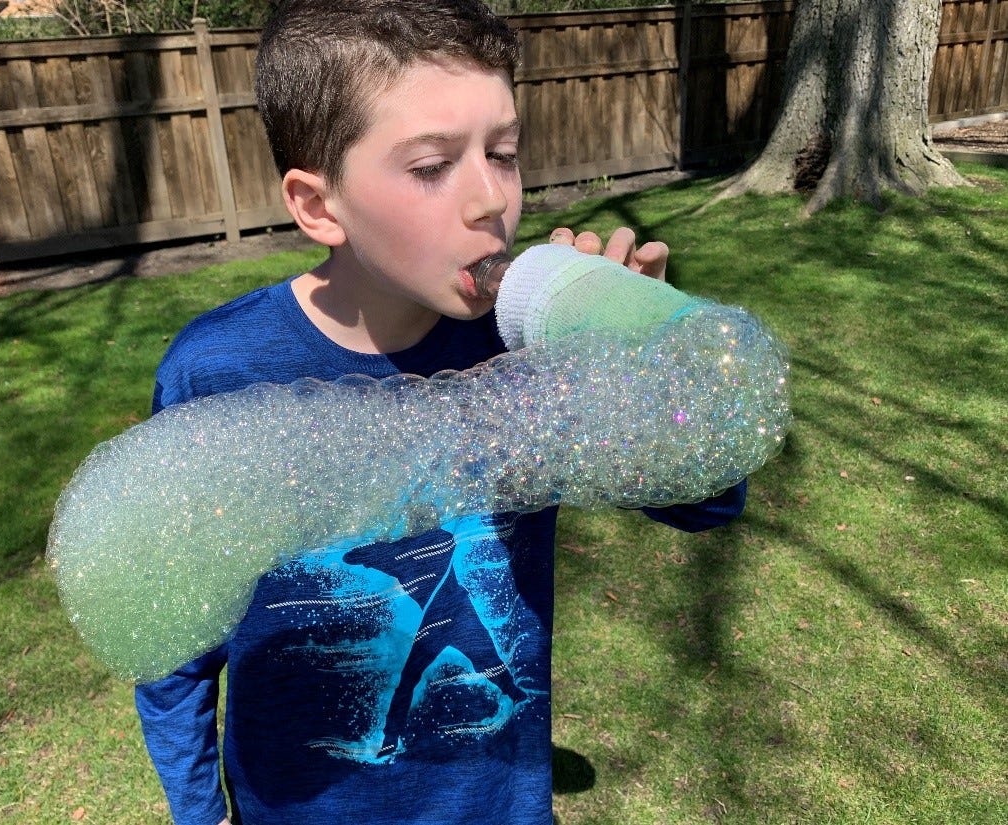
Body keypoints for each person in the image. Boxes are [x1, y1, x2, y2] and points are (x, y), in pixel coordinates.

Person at [135, 2, 747, 824]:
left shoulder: (528, 351)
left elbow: (710, 502)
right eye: (431, 167)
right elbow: (175, 636)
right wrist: (197, 808)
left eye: (502, 153)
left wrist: (642, 377)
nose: (488, 200)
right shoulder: (217, 371)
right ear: (319, 205)